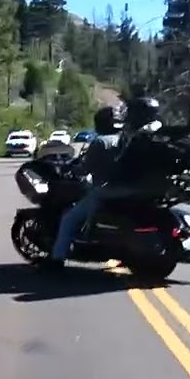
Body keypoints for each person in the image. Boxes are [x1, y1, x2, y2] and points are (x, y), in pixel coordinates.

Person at [46, 105, 124, 268]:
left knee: (68, 219)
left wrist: (67, 168)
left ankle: (57, 259)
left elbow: (85, 169)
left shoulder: (100, 142)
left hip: (103, 191)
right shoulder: (124, 140)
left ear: (100, 123)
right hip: (121, 189)